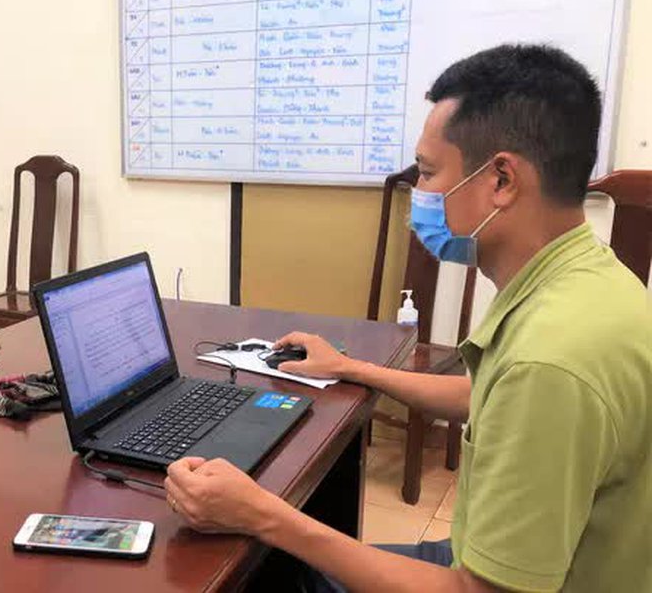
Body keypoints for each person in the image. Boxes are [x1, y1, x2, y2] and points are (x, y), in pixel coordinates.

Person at [165, 45, 651, 592]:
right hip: (517, 559)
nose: (417, 195)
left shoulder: (553, 358)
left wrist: (264, 514)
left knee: (274, 567)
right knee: (295, 563)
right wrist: (352, 368)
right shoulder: (583, 279)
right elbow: (487, 397)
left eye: (426, 173)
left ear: (501, 181)